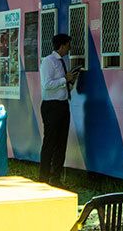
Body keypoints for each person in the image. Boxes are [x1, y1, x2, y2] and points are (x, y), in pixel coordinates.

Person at [39, 33, 79, 186]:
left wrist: (70, 81)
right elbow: (46, 84)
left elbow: (62, 84)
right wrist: (64, 79)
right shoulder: (48, 62)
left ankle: (56, 178)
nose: (69, 49)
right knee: (50, 142)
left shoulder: (62, 61)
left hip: (63, 105)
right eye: (68, 45)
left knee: (62, 143)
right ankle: (43, 178)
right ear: (61, 46)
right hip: (51, 106)